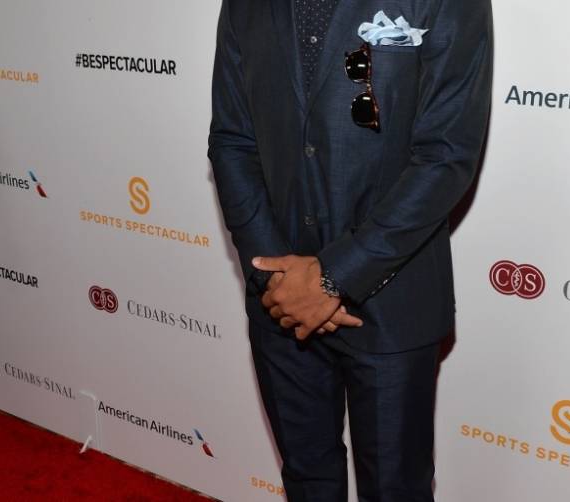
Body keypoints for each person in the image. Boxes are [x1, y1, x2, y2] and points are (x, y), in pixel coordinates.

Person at [208, 0, 493, 500]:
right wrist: (278, 277)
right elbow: (232, 140)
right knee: (306, 478)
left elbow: (447, 156)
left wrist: (334, 277)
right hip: (278, 299)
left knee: (394, 487)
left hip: (392, 298)